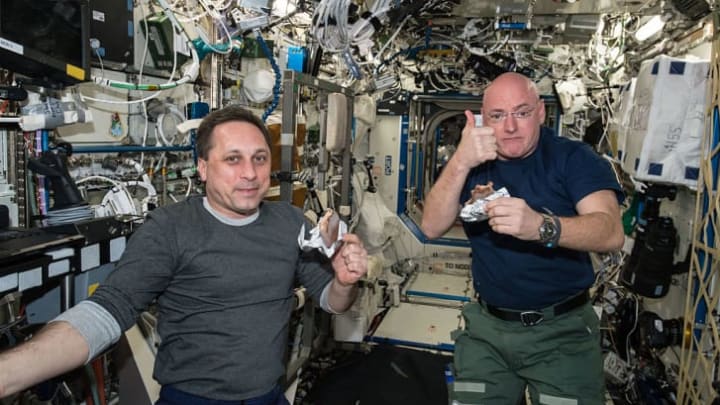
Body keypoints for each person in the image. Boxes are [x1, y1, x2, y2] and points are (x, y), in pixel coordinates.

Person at [0, 106, 368, 404]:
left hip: (268, 396)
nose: (250, 174)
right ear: (203, 168)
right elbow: (110, 309)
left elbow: (331, 301)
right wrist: (10, 373)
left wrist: (343, 281)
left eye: (259, 158)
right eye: (233, 159)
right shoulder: (170, 228)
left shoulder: (289, 222)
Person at [421, 72, 624, 405]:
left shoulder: (574, 159)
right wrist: (461, 160)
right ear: (483, 120)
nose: (510, 127)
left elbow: (611, 231)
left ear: (541, 112)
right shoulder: (472, 164)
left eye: (522, 112)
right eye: (497, 116)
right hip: (487, 331)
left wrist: (541, 227)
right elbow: (430, 227)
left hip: (562, 335)